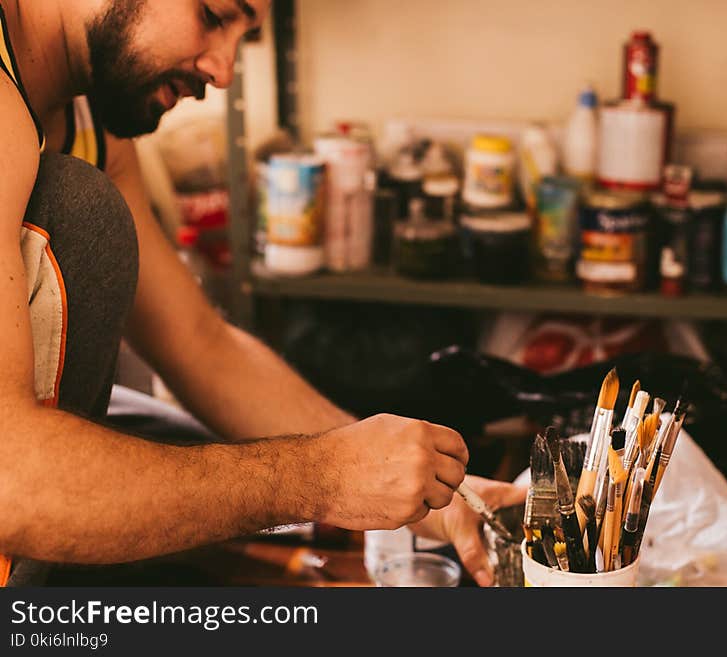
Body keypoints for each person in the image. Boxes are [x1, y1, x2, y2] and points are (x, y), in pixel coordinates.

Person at [0, 0, 524, 587]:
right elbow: (9, 476)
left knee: (187, 455)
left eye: (245, 37)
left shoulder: (89, 120)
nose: (224, 71)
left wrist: (426, 493)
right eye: (215, 14)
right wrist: (319, 478)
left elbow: (201, 343)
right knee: (82, 208)